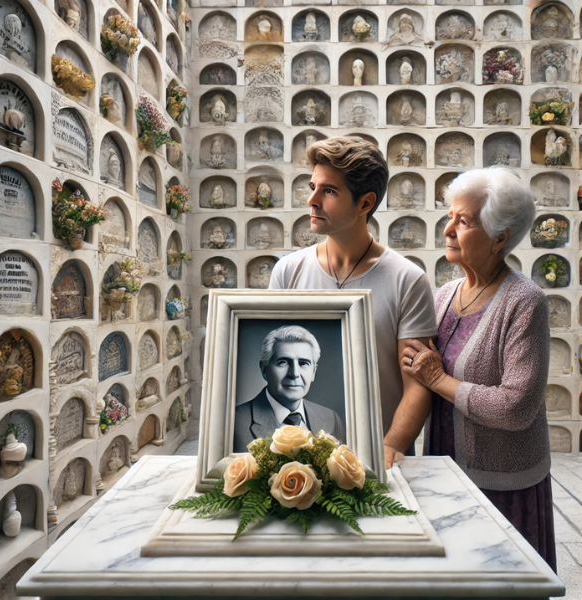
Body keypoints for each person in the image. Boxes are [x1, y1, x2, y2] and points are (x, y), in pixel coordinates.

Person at [400, 167, 556, 571]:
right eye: (451, 215)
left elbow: (516, 406)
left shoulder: (525, 302)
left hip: (502, 484)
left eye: (464, 221)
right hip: (446, 475)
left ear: (500, 237)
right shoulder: (444, 295)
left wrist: (439, 380)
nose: (448, 228)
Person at [268, 137, 437, 467]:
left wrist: (389, 449)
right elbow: (271, 364)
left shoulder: (407, 280)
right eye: (312, 186)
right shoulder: (287, 272)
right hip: (297, 457)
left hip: (376, 456)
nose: (312, 201)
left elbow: (417, 385)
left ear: (365, 203)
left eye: (328, 191)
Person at [234, 325, 344, 452]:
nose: (294, 373)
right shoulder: (234, 422)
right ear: (264, 369)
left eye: (304, 363)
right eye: (283, 362)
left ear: (313, 372)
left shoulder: (331, 419)